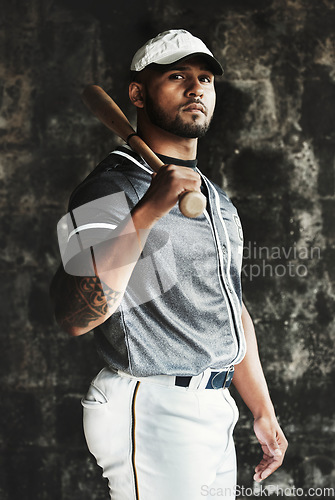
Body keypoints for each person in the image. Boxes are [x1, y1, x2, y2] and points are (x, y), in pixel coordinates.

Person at [50, 29, 288, 500]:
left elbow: (229, 308)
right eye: (177, 75)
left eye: (204, 78)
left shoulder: (215, 201)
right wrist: (148, 211)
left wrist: (260, 408)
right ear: (137, 93)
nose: (196, 87)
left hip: (214, 406)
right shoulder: (111, 189)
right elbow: (75, 315)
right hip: (152, 403)